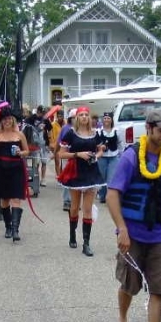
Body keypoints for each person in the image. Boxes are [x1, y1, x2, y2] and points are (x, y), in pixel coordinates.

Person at [106, 107, 161, 322]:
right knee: (129, 284)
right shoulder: (130, 158)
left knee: (158, 288)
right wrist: (121, 229)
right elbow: (113, 194)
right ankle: (123, 321)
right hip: (133, 234)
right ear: (148, 129)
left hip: (159, 235)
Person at [57, 106, 105, 256]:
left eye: (86, 115)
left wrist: (97, 156)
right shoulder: (71, 134)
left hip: (91, 172)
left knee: (88, 209)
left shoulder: (95, 134)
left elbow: (101, 149)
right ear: (77, 118)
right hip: (76, 172)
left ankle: (86, 243)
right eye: (81, 115)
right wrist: (79, 154)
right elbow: (61, 154)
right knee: (74, 206)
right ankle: (72, 234)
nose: (84, 117)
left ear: (89, 118)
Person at [0, 107, 30, 242]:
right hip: (2, 169)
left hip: (17, 168)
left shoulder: (20, 135)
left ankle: (15, 230)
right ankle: (8, 226)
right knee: (4, 200)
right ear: (1, 121)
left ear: (13, 120)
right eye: (5, 119)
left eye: (9, 119)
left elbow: (27, 151)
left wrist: (21, 153)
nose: (7, 121)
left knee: (16, 199)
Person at [96, 111, 121, 204]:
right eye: (105, 118)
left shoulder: (116, 131)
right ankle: (102, 195)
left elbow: (120, 143)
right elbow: (95, 144)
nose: (106, 120)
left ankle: (110, 197)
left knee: (111, 178)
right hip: (102, 157)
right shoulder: (98, 132)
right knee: (102, 176)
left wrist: (120, 154)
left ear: (111, 120)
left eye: (108, 118)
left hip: (113, 156)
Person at [55, 108, 77, 211]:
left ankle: (75, 201)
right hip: (67, 156)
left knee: (77, 179)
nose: (76, 119)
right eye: (74, 117)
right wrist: (55, 153)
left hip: (78, 158)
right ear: (70, 118)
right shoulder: (65, 128)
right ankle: (67, 201)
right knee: (67, 178)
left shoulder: (83, 129)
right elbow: (59, 142)